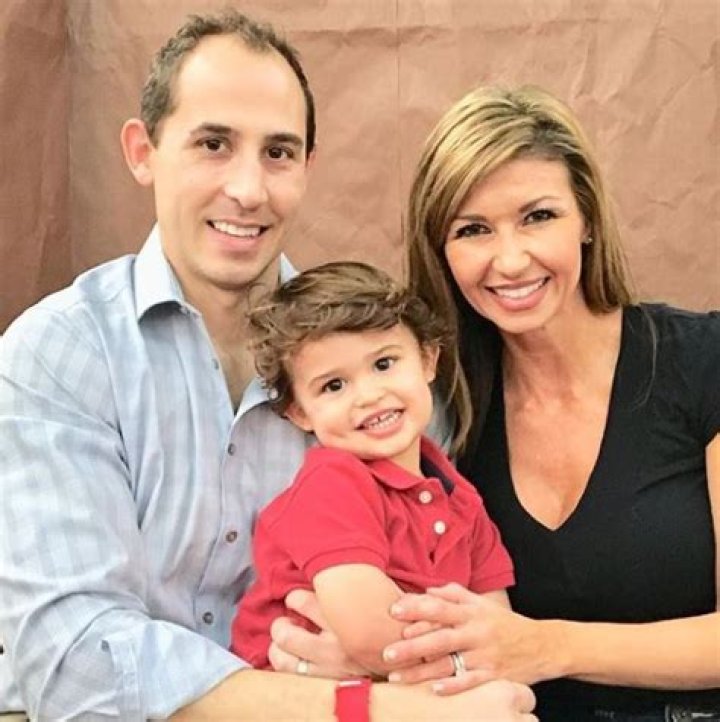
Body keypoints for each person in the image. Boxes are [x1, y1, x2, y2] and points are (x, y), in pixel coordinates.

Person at [0, 10, 537, 720]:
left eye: (278, 152)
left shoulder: (384, 377)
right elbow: (73, 664)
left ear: (308, 168)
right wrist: (359, 702)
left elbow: (459, 615)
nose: (249, 190)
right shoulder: (61, 354)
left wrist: (397, 666)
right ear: (143, 151)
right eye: (213, 144)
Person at [376, 84, 720, 720]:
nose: (510, 260)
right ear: (441, 252)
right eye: (473, 230)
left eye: (538, 216)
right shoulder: (437, 408)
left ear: (586, 218)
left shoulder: (703, 360)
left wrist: (543, 647)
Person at [230, 261, 514, 680]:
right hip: (291, 694)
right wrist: (469, 671)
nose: (368, 395)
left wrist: (483, 670)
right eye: (334, 385)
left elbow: (499, 634)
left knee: (512, 700)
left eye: (383, 364)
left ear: (428, 359)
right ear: (299, 412)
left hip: (410, 686)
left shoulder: (462, 501)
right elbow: (374, 637)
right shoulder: (331, 486)